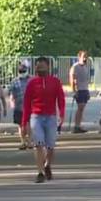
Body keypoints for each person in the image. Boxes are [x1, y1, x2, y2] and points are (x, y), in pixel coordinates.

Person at [22, 56, 66, 184]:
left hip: (51, 117)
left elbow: (61, 99)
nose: (40, 67)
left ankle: (47, 164)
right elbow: (26, 103)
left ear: (48, 67)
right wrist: (24, 122)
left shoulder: (55, 82)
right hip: (36, 117)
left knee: (50, 146)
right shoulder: (32, 83)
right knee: (39, 144)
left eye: (42, 65)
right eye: (38, 65)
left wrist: (61, 114)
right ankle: (40, 172)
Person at [7, 62, 32, 150]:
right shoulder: (15, 81)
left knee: (28, 124)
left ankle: (29, 141)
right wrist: (11, 102)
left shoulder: (31, 80)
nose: (22, 73)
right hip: (18, 106)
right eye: (20, 71)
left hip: (29, 106)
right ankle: (23, 141)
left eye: (23, 71)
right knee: (21, 125)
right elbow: (10, 93)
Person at [69, 50, 91, 133]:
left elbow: (86, 80)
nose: (85, 58)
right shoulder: (75, 67)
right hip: (79, 90)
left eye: (86, 57)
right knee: (80, 107)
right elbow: (72, 79)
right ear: (79, 57)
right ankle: (76, 126)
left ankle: (78, 125)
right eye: (83, 56)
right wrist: (74, 91)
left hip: (85, 89)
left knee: (82, 108)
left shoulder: (86, 67)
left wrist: (88, 91)